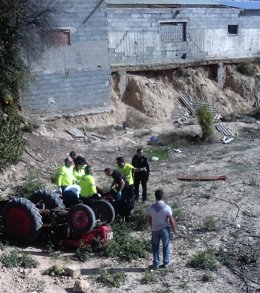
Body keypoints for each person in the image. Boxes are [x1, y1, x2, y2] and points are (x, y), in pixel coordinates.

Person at [147, 189, 177, 269]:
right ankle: (166, 263)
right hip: (164, 228)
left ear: (155, 196)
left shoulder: (151, 208)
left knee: (155, 246)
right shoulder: (167, 208)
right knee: (166, 245)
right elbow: (171, 220)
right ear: (162, 196)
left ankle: (156, 264)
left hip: (155, 229)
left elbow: (149, 220)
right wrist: (174, 230)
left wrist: (151, 227)